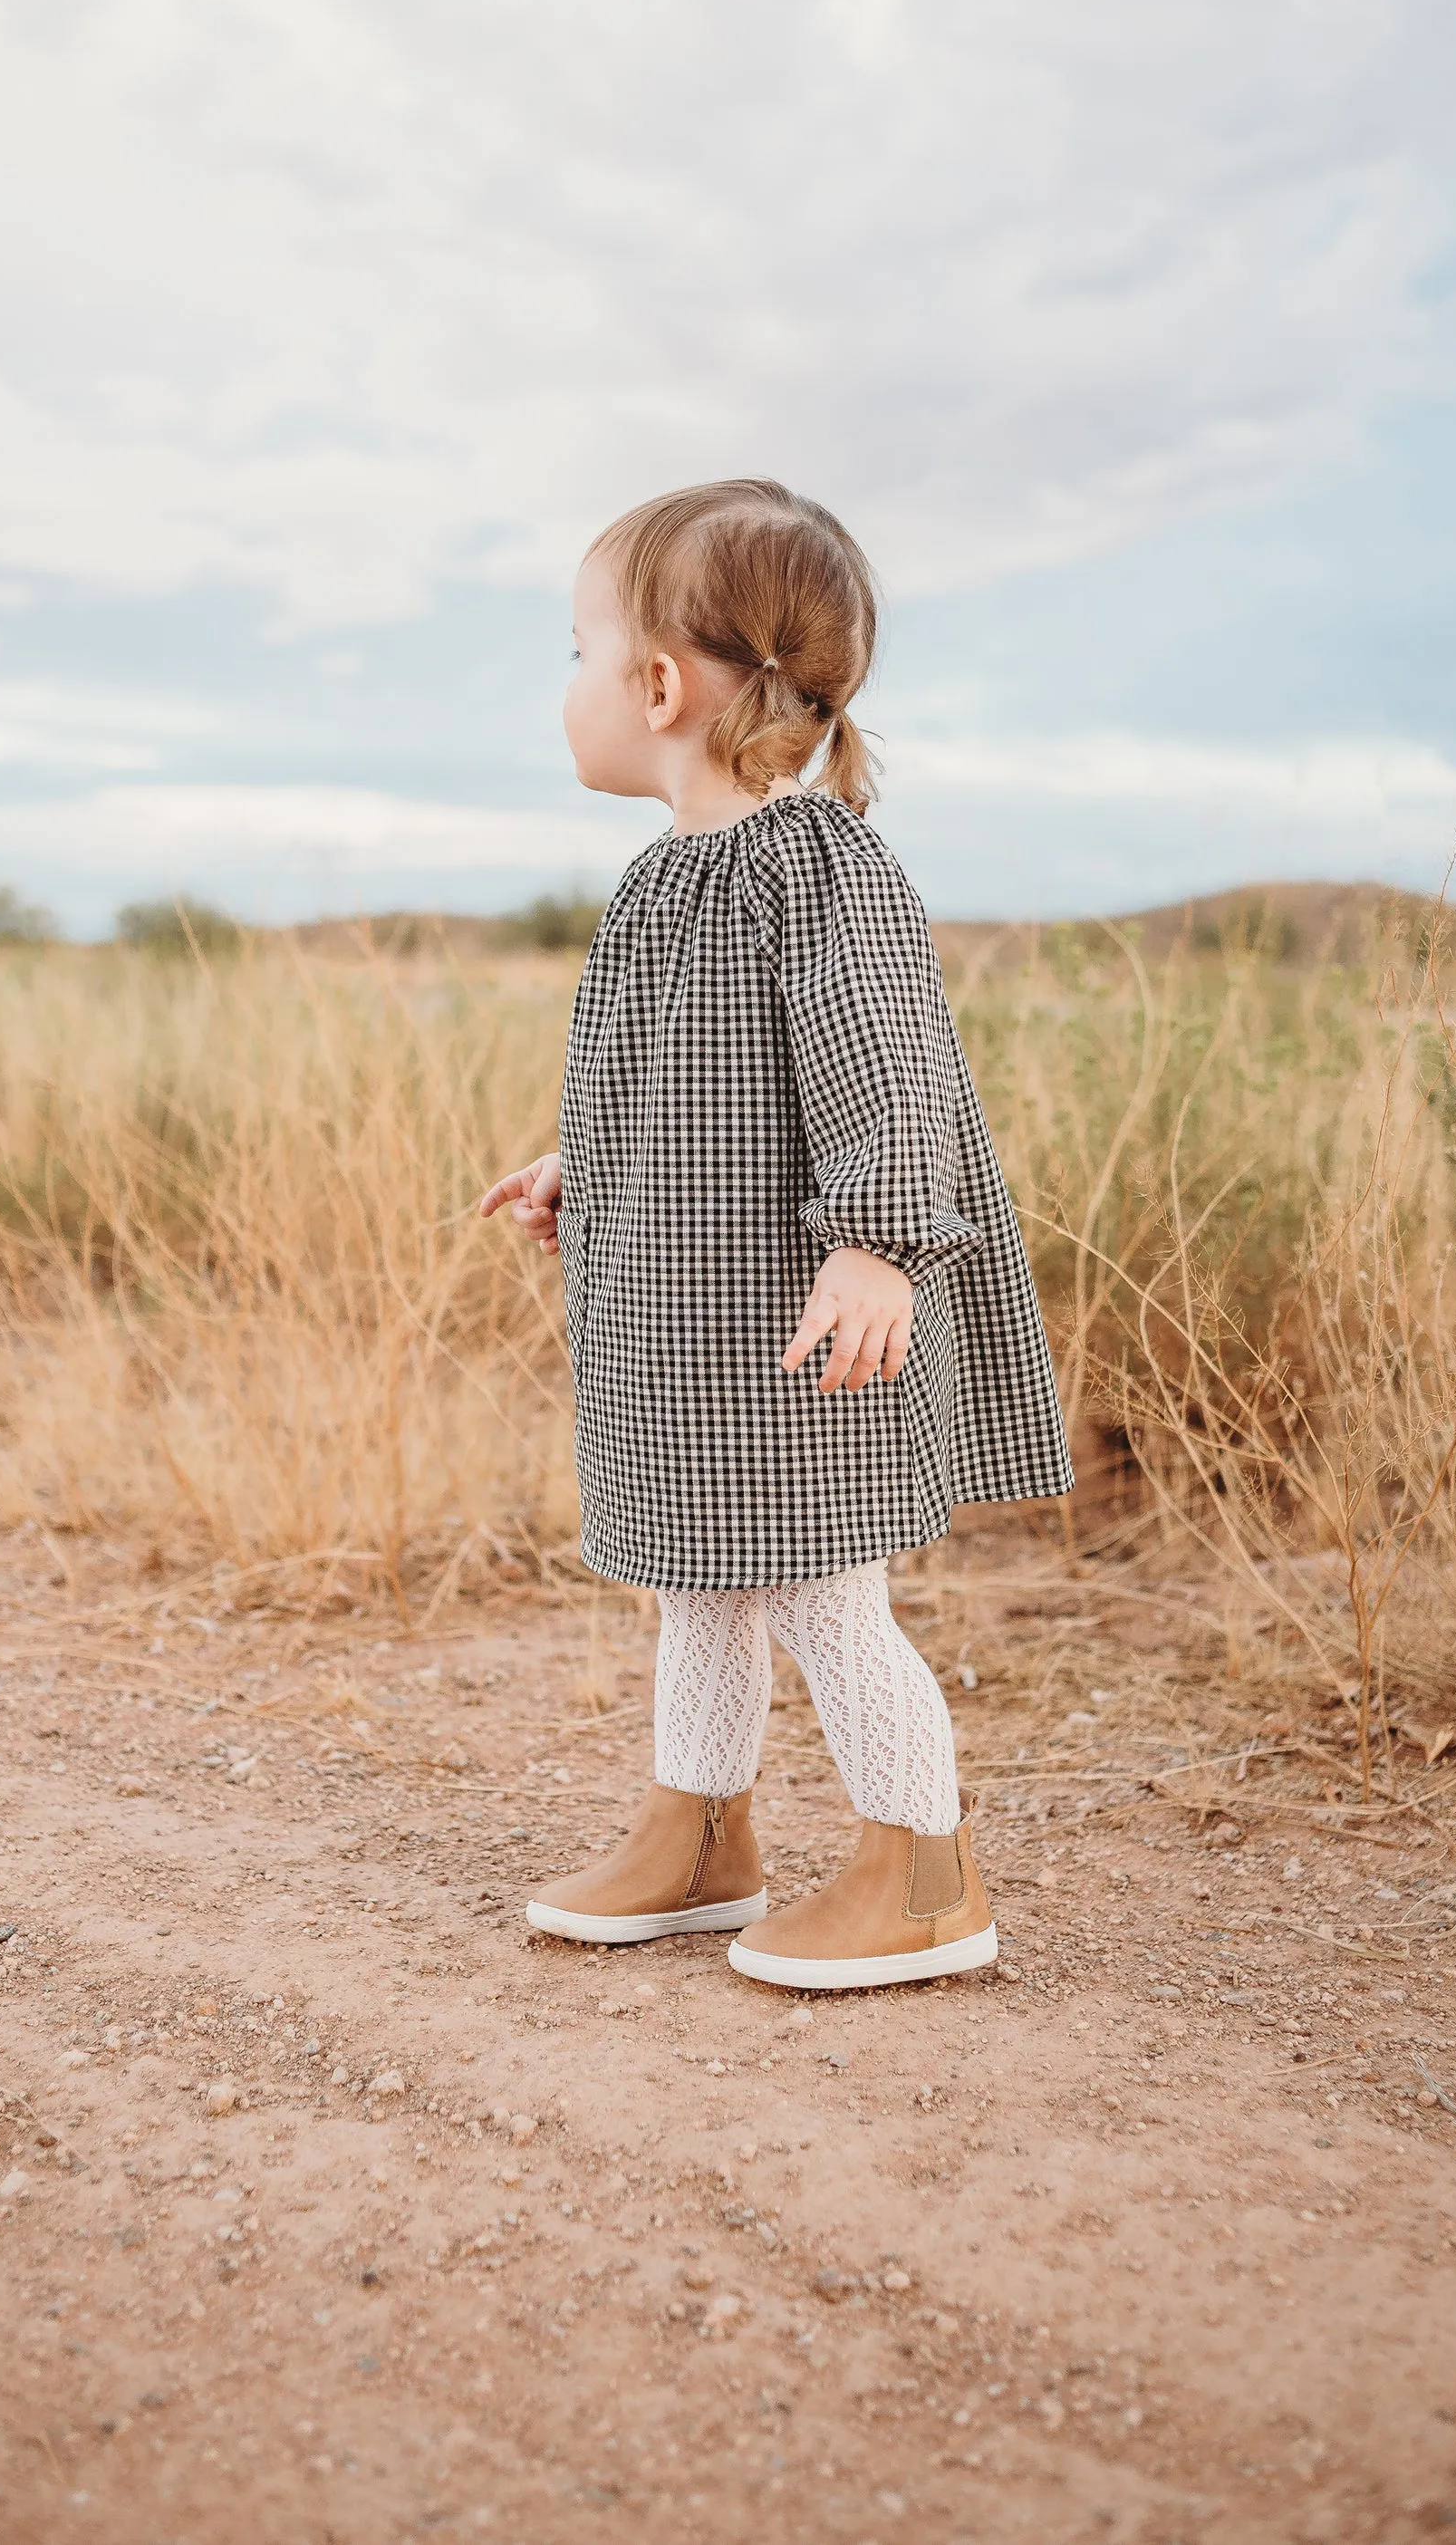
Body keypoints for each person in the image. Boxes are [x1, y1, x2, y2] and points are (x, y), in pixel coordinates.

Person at [481, 478, 1071, 1991]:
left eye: (576, 650)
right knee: (699, 1573)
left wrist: (881, 1243)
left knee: (821, 1581)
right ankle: (701, 1837)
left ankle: (923, 1871)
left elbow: (889, 1068)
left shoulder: (817, 866)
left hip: (799, 1322)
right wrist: (580, 1164)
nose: (570, 682)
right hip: (687, 1313)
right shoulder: (668, 878)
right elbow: (678, 1067)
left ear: (660, 686)